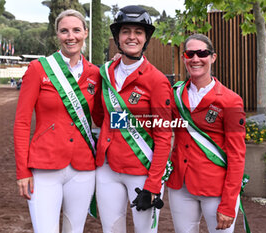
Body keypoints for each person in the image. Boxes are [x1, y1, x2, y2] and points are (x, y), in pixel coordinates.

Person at [13, 9, 103, 233]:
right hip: (44, 167)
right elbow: (22, 123)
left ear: (85, 33)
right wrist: (22, 172)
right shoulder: (38, 68)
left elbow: (101, 118)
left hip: (83, 168)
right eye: (64, 31)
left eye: (76, 30)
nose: (70, 36)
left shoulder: (96, 74)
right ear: (57, 35)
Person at [96, 5, 172, 233]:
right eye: (126, 31)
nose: (132, 37)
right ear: (118, 37)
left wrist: (153, 184)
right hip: (107, 169)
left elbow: (163, 136)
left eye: (138, 32)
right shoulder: (105, 73)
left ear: (146, 38)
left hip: (142, 171)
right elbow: (101, 118)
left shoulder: (157, 81)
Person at [167, 34, 246, 233]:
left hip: (216, 189)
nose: (195, 59)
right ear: (184, 58)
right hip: (180, 187)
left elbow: (237, 155)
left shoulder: (231, 100)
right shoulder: (174, 94)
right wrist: (122, 62)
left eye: (202, 53)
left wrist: (229, 204)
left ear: (213, 57)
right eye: (190, 53)